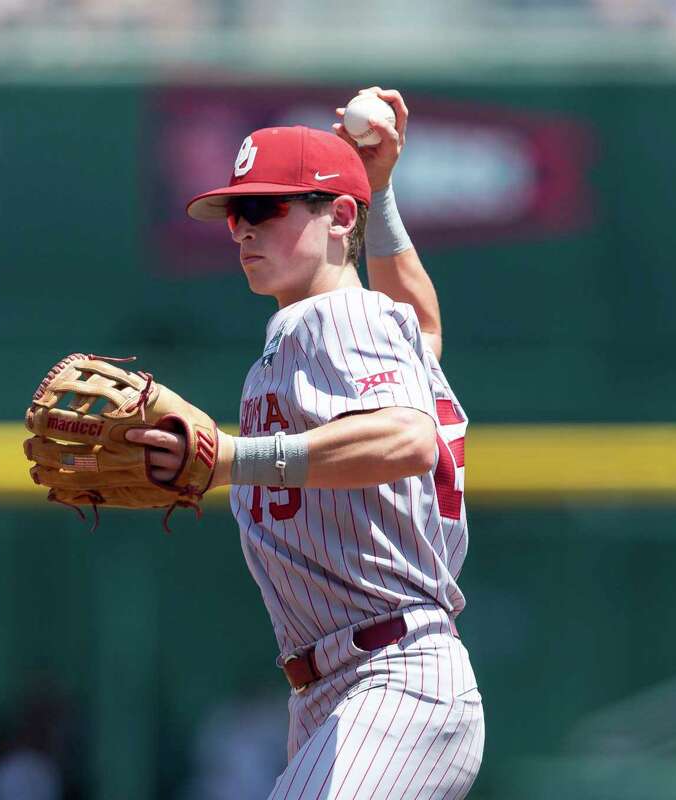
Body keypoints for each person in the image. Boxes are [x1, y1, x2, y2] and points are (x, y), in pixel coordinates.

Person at [127, 88, 483, 799]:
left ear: (335, 216)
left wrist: (235, 459)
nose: (241, 230)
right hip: (340, 689)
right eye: (235, 214)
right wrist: (378, 194)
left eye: (264, 209)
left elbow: (410, 438)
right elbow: (422, 327)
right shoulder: (365, 326)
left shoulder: (333, 317)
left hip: (393, 677)